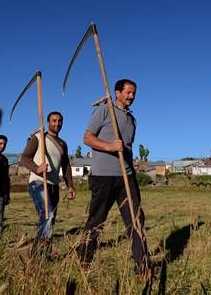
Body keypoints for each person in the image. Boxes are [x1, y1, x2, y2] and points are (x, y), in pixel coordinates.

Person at [76, 79, 149, 276]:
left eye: (134, 93)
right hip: (103, 176)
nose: (131, 97)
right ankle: (83, 261)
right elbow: (87, 138)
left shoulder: (131, 120)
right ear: (117, 92)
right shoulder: (104, 110)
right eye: (128, 92)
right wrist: (109, 146)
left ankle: (143, 268)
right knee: (96, 221)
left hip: (126, 176)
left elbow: (127, 147)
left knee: (136, 221)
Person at [19, 111, 76, 256]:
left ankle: (44, 253)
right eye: (54, 121)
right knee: (47, 215)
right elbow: (24, 158)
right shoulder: (39, 138)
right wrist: (37, 168)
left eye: (60, 121)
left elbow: (66, 166)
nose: (57, 124)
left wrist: (70, 186)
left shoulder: (63, 144)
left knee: (50, 220)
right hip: (38, 182)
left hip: (53, 185)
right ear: (48, 122)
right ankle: (38, 254)